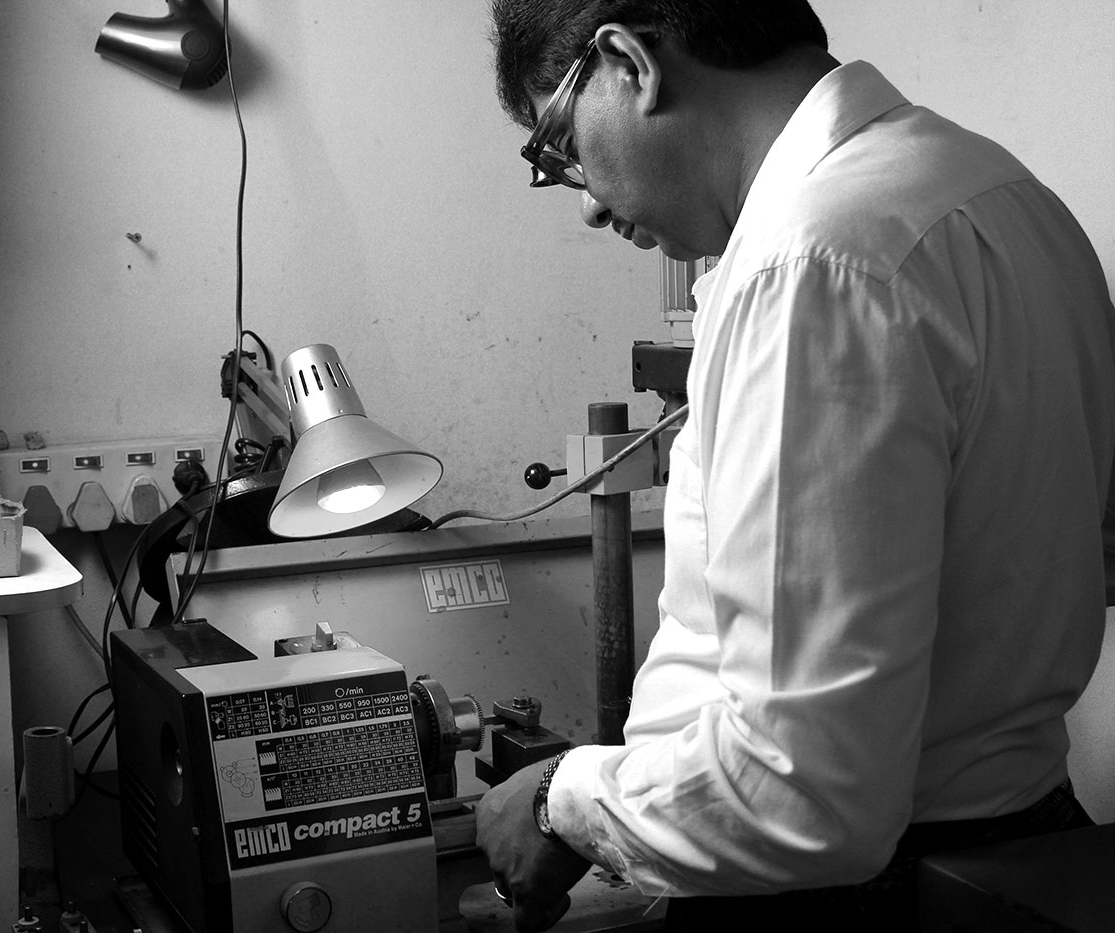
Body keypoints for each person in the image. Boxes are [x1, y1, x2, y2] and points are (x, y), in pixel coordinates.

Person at [475, 2, 1115, 930]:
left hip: (856, 893)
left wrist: (560, 801)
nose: (586, 201)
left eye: (559, 144)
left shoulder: (812, 263)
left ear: (628, 65)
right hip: (1026, 844)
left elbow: (804, 796)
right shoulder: (1010, 195)